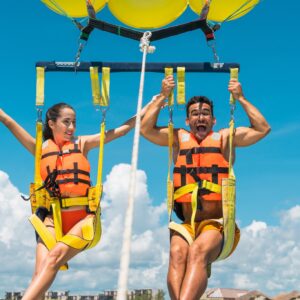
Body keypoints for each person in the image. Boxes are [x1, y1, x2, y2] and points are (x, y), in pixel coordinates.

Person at [0, 102, 148, 299]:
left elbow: (121, 131)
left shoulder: (82, 144)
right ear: (51, 124)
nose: (71, 128)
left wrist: (155, 102)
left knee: (53, 259)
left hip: (82, 220)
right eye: (66, 122)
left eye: (74, 123)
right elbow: (8, 121)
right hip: (52, 220)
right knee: (39, 273)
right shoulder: (41, 149)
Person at [141, 75, 271, 300]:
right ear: (188, 121)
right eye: (194, 114)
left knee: (198, 251)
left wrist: (240, 98)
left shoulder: (224, 139)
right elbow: (145, 129)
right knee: (177, 253)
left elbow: (263, 128)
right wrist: (163, 95)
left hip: (218, 226)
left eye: (205, 114)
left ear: (213, 121)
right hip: (187, 225)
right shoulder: (177, 139)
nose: (200, 117)